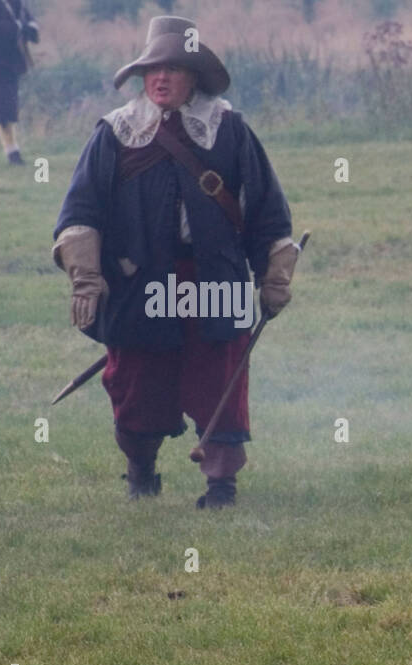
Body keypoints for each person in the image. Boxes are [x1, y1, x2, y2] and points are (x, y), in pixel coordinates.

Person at [52, 16, 298, 508]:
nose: (160, 78)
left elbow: (266, 209)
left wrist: (273, 276)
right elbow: (81, 210)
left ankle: (221, 486)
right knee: (136, 382)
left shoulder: (229, 129)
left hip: (214, 280)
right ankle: (141, 470)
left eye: (173, 69)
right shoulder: (115, 133)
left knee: (220, 379)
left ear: (195, 77)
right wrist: (86, 278)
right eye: (152, 69)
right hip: (139, 283)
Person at [0, 0, 38, 165]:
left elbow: (29, 23)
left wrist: (26, 28)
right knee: (0, 109)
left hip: (9, 63)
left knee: (6, 109)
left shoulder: (16, 3)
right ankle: (12, 153)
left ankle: (12, 152)